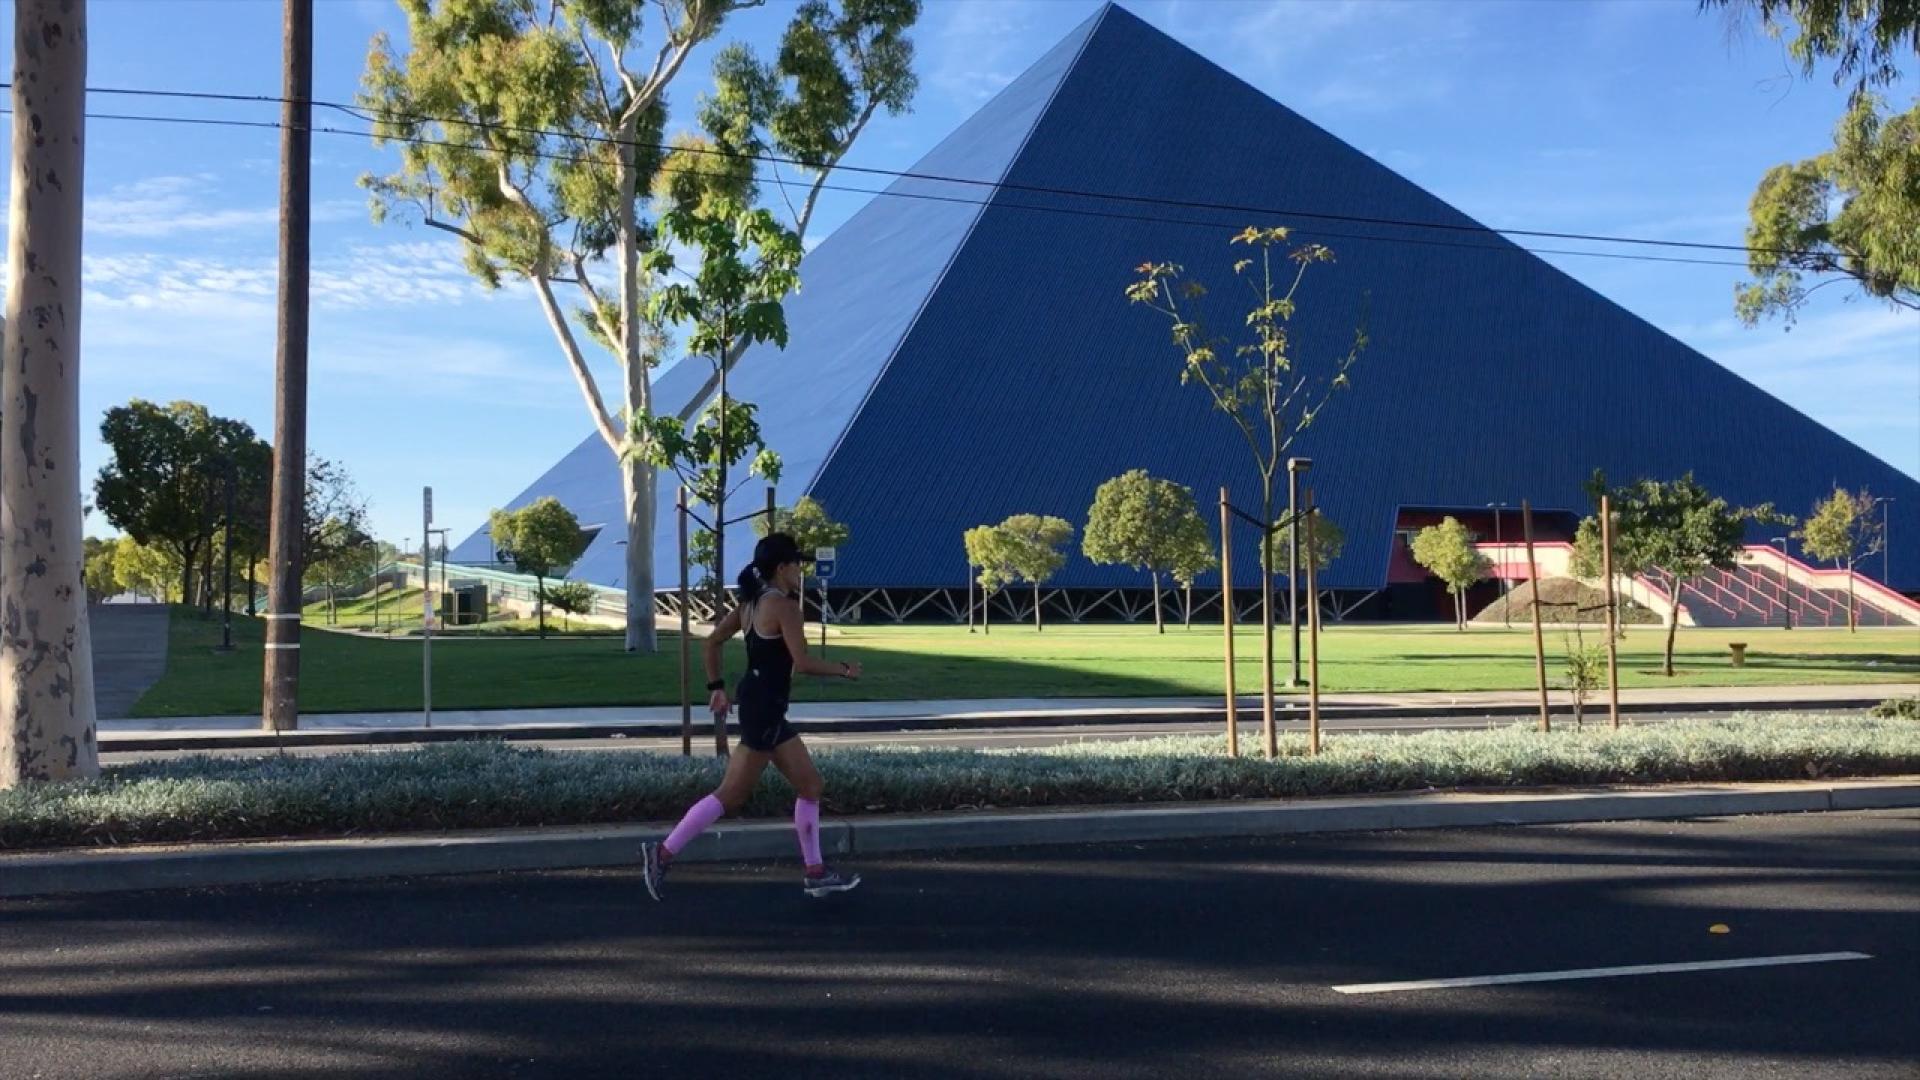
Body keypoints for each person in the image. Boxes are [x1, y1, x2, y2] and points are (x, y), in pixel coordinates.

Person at [641, 532, 863, 900]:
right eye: (797, 564)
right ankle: (661, 854)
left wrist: (716, 686)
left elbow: (712, 642)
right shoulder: (784, 607)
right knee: (731, 795)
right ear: (782, 567)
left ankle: (816, 872)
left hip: (763, 703)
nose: (801, 571)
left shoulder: (750, 604)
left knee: (810, 786)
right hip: (764, 708)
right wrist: (844, 670)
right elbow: (803, 663)